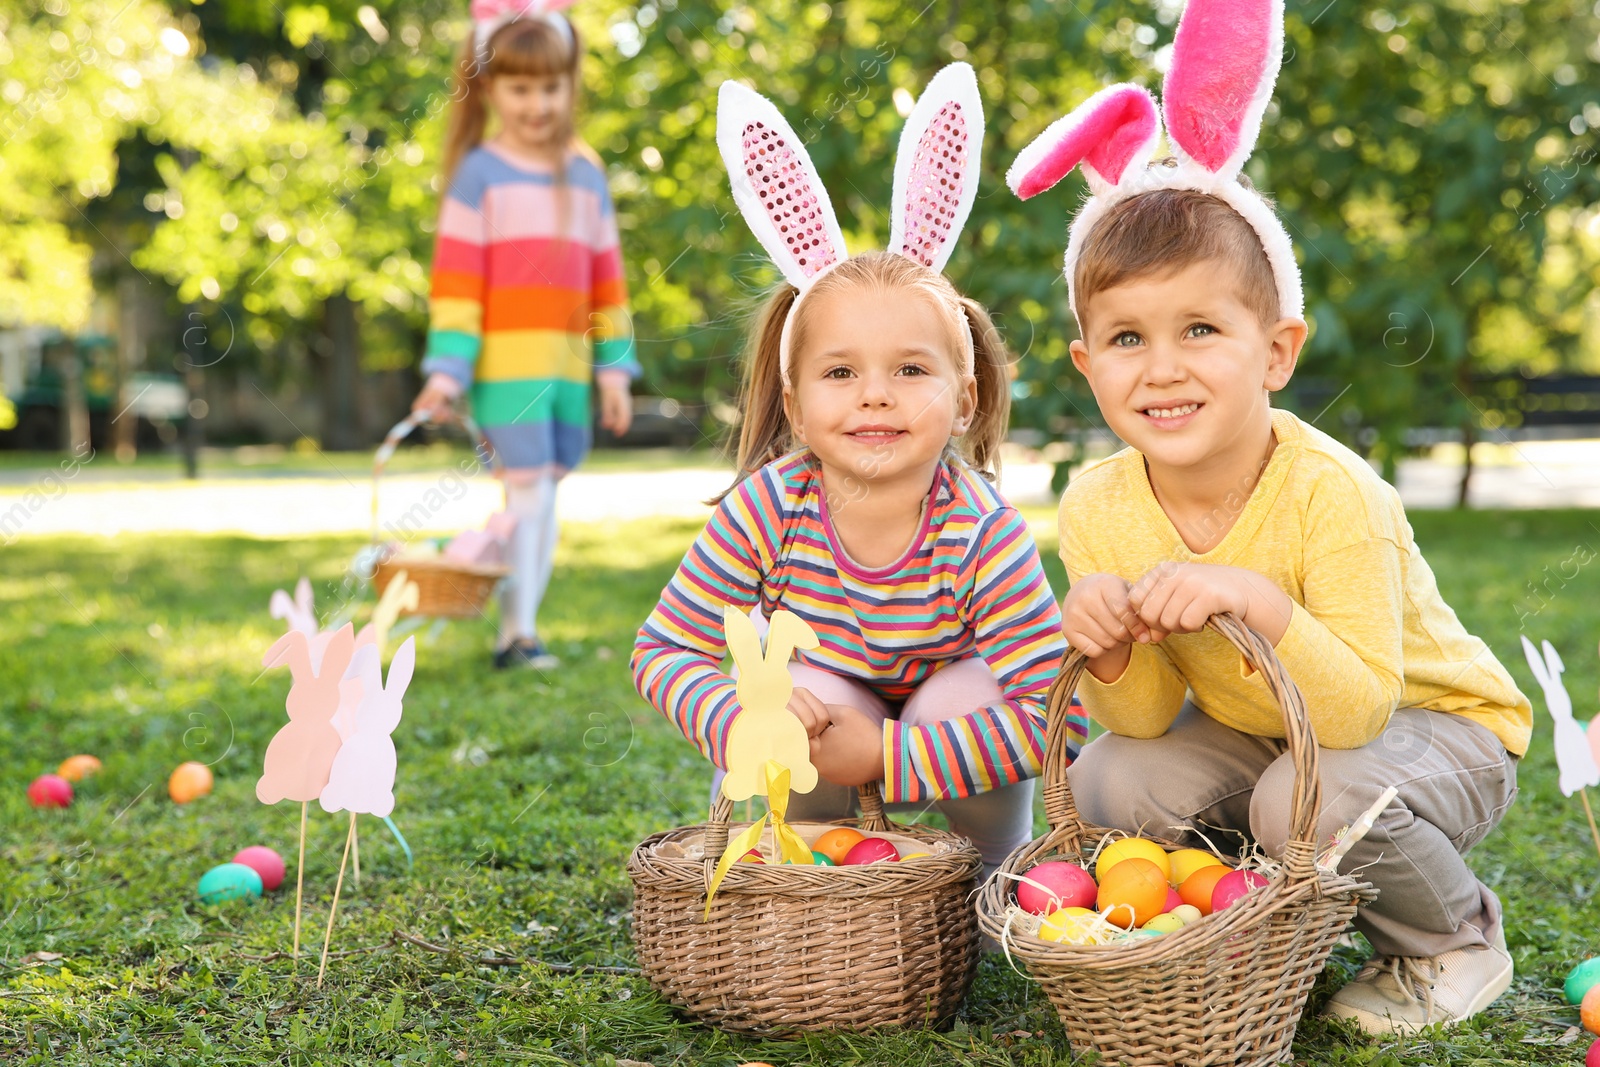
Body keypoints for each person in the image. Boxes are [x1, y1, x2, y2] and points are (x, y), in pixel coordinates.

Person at [1009, 0, 1531, 1033]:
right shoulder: (1099, 503)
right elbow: (1148, 722)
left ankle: (1455, 940)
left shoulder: (1329, 491)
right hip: (1274, 741)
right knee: (1113, 772)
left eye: (1200, 327)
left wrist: (1254, 597)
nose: (1161, 366)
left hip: (1432, 729)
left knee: (1317, 793)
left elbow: (1354, 716)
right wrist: (1113, 653)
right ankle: (1254, 921)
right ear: (1085, 363)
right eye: (1124, 337)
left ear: (1276, 351)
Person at [631, 65, 1083, 873]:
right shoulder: (769, 508)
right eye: (841, 374)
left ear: (966, 398)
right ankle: (827, 874)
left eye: (911, 371)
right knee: (797, 702)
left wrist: (890, 755)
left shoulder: (981, 531)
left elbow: (1059, 716)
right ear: (797, 406)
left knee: (965, 694)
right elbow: (665, 649)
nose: (876, 395)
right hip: (833, 698)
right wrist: (737, 713)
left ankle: (986, 873)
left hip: (945, 712)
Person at [413, 1, 635, 670]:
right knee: (530, 493)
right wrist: (446, 373)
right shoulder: (479, 175)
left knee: (544, 494)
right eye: (519, 87)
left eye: (550, 86)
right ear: (488, 86)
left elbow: (608, 283)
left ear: (571, 85)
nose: (536, 103)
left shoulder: (585, 174)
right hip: (505, 372)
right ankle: (518, 633)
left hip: (566, 373)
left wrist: (614, 369)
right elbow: (456, 291)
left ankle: (520, 619)